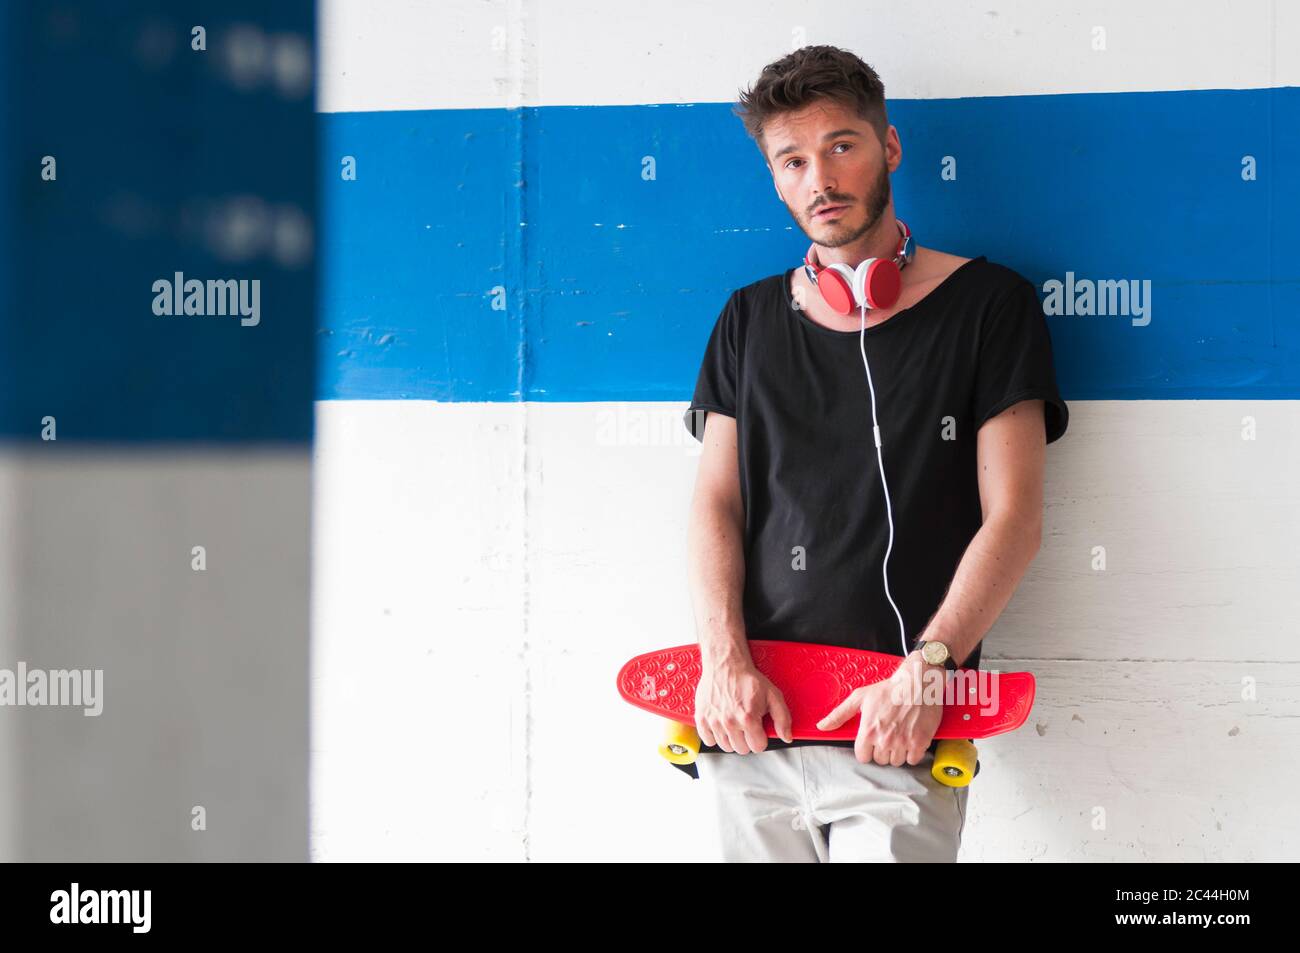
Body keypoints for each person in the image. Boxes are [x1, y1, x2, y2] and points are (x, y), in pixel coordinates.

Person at [682, 45, 1069, 862]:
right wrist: (723, 661)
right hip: (752, 724)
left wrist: (928, 667)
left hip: (899, 726)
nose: (818, 178)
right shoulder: (746, 321)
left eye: (840, 146)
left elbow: (1016, 517)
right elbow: (715, 504)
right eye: (792, 160)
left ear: (889, 148)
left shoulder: (989, 307)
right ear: (776, 178)